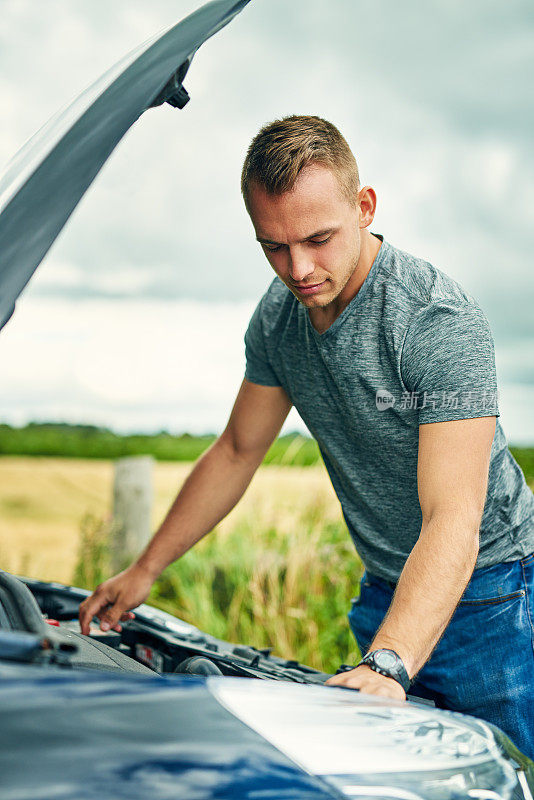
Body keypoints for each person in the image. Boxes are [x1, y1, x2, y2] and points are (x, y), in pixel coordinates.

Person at [79, 115, 534, 756]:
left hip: (494, 599)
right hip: (385, 589)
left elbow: (453, 517)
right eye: (274, 246)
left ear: (364, 205)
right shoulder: (279, 316)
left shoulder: (436, 320)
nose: (300, 269)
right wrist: (147, 568)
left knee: (506, 774)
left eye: (319, 238)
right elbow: (237, 450)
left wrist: (390, 664)